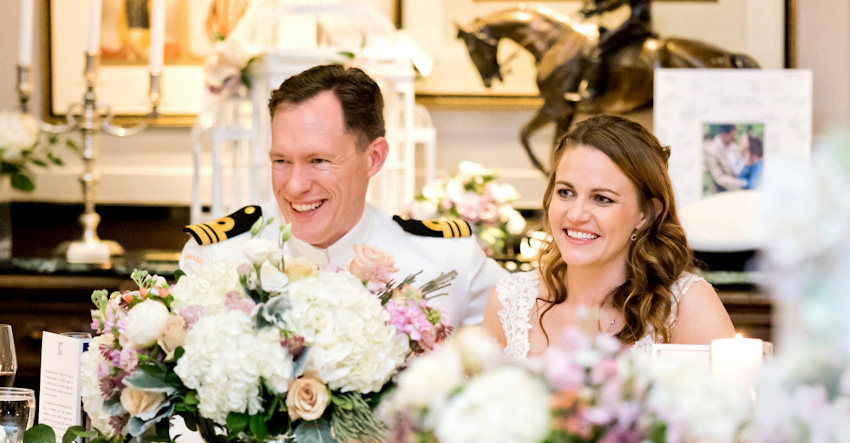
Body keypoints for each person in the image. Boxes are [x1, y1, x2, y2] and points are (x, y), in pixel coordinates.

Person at [179, 64, 506, 326]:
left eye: (318, 161)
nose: (294, 186)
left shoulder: (446, 260)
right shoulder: (215, 256)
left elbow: (539, 327)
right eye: (281, 161)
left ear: (374, 158)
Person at [483, 114, 735, 359]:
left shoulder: (687, 307)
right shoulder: (509, 303)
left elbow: (727, 399)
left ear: (646, 214)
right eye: (565, 192)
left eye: (602, 198)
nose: (576, 214)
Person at [568, 0, 656, 101]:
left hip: (634, 25)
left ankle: (592, 89)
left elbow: (614, 4)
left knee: (599, 50)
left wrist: (591, 11)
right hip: (634, 22)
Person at [704, 124, 744, 193]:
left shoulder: (734, 147)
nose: (734, 137)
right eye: (732, 135)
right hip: (723, 192)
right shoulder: (712, 150)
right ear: (724, 134)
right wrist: (742, 184)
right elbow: (719, 178)